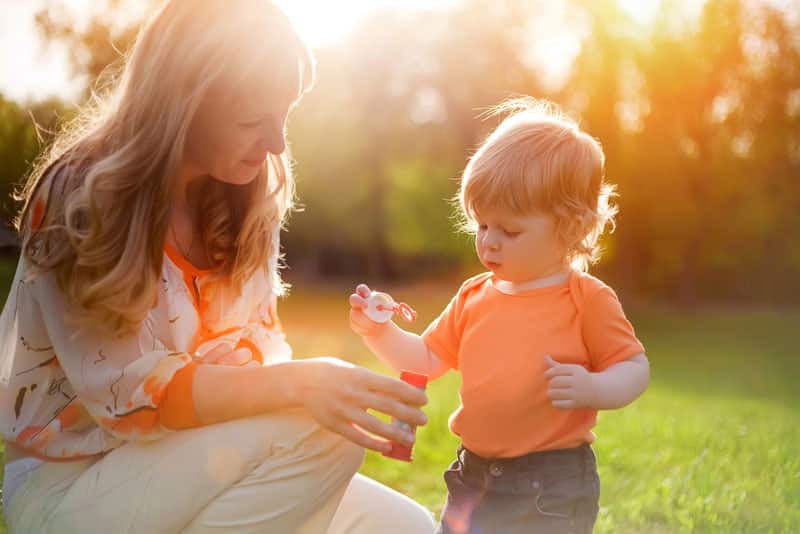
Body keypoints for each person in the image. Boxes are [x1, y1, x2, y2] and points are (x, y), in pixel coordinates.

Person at [0, 1, 437, 532]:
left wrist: (329, 388)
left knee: (407, 526)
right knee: (319, 436)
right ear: (184, 103)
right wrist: (305, 385)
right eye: (254, 120)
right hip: (70, 483)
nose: (277, 141)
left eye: (286, 114)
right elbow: (130, 398)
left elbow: (254, 352)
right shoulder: (85, 196)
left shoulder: (248, 194)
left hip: (195, 461)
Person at [349, 98, 651, 534]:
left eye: (509, 231)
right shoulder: (474, 295)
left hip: (552, 484)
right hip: (474, 476)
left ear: (571, 228)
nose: (488, 243)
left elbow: (634, 368)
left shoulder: (586, 299)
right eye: (482, 226)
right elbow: (426, 360)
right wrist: (378, 330)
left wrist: (594, 386)